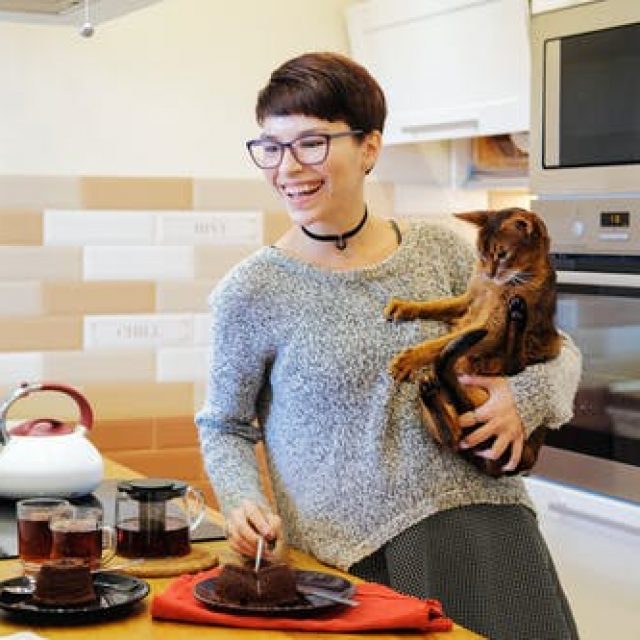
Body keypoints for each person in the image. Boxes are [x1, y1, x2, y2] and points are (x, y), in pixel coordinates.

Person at [196, 51, 582, 639]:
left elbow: (559, 347)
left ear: (369, 147)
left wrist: (523, 400)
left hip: (494, 538)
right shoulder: (250, 291)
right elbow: (225, 425)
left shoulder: (441, 251)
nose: (287, 167)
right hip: (354, 560)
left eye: (312, 143)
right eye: (271, 147)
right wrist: (242, 502)